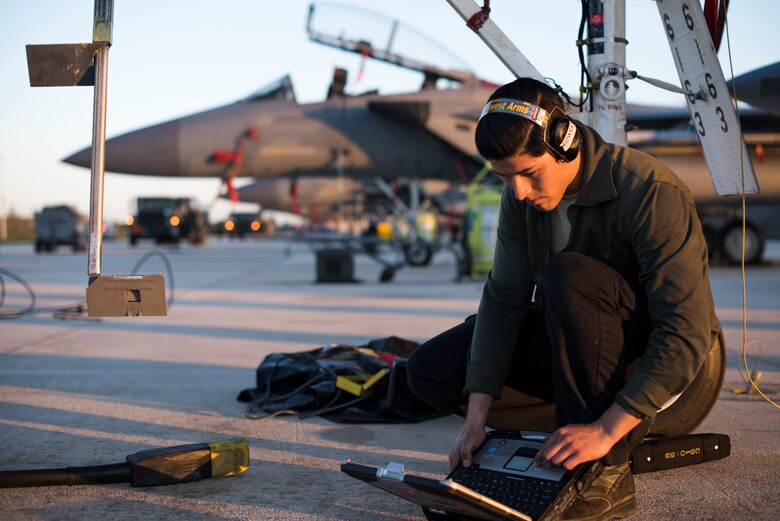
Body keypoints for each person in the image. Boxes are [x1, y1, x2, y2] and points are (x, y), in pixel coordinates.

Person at [406, 77, 719, 521]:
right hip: (575, 349)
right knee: (430, 371)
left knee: (567, 274)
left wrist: (608, 429)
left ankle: (603, 474)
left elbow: (687, 332)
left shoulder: (650, 192)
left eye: (528, 173)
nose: (518, 192)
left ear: (565, 144)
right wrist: (477, 422)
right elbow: (504, 298)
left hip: (658, 364)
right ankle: (566, 434)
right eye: (504, 177)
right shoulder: (520, 196)